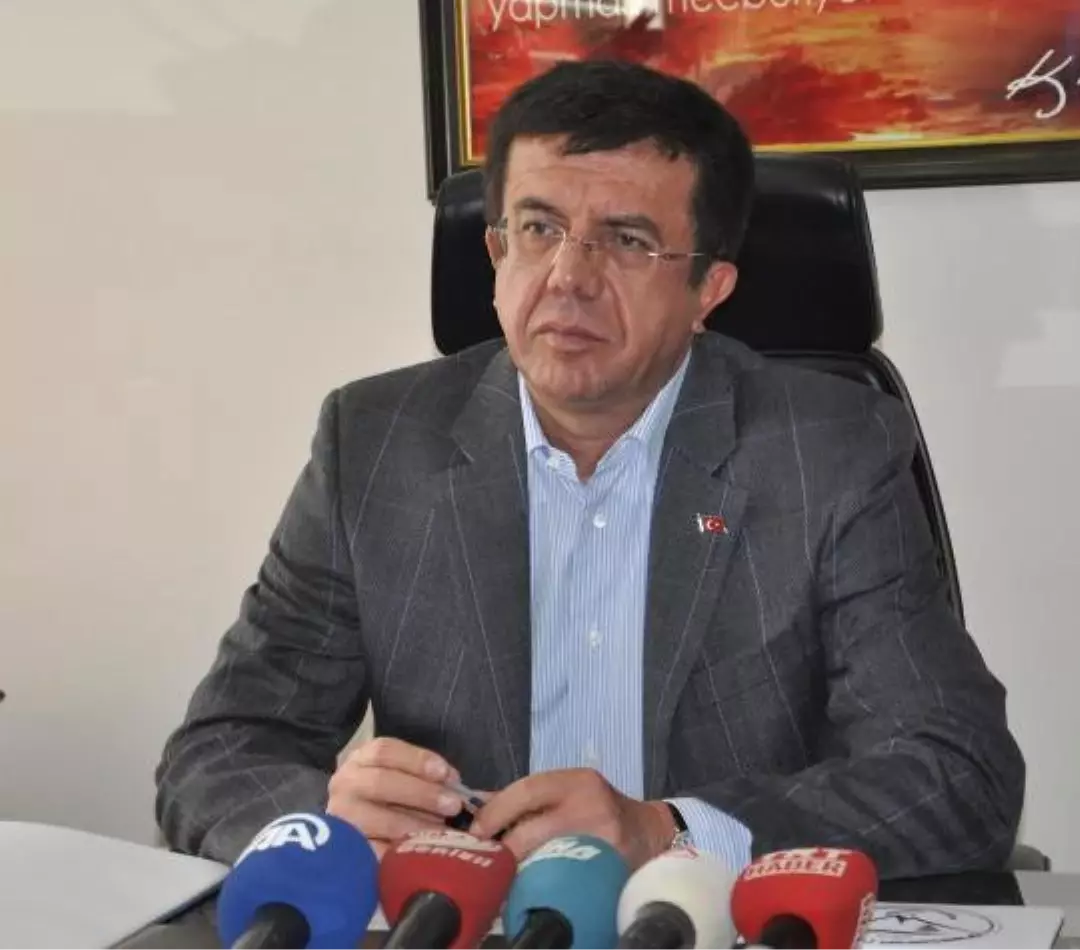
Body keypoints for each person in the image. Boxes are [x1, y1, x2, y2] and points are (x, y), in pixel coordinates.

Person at [155, 59, 1025, 878]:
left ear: (710, 289)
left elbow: (959, 774)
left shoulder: (826, 452)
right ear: (496, 253)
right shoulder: (377, 445)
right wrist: (324, 823)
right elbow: (219, 752)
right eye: (538, 229)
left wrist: (669, 831)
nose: (568, 277)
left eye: (627, 240)